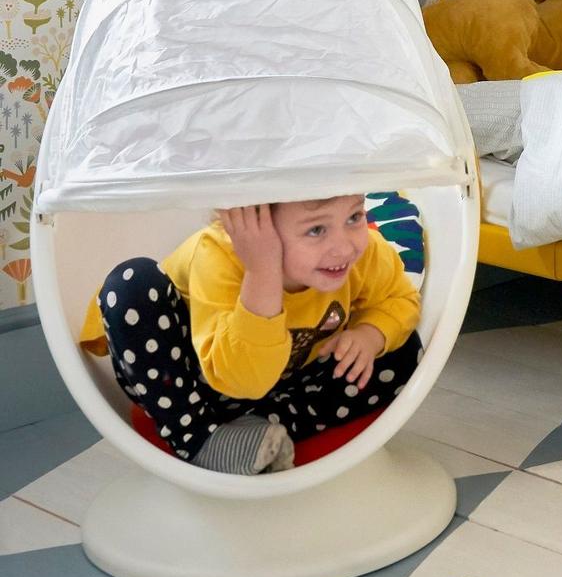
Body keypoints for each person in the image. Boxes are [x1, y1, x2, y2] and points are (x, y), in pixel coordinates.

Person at [79, 196, 421, 474]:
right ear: (252, 233)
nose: (345, 247)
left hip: (279, 388)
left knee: (404, 352)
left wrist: (369, 334)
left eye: (354, 217)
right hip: (187, 387)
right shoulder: (217, 256)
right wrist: (262, 270)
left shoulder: (363, 254)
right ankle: (198, 441)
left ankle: (257, 430)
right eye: (316, 229)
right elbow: (238, 379)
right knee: (131, 283)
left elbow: (400, 299)